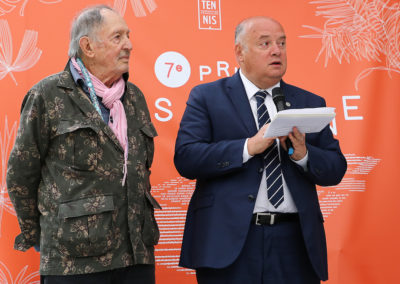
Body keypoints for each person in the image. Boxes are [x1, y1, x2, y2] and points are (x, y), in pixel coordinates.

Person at [174, 16, 347, 284]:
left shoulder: (308, 102)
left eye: (281, 43)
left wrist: (304, 156)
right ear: (239, 52)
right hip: (229, 243)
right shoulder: (207, 97)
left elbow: (336, 168)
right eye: (264, 43)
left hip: (295, 244)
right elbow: (186, 158)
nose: (276, 50)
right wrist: (247, 147)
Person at [6, 5, 160, 284]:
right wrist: (45, 236)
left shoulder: (135, 98)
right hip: (73, 262)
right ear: (87, 46)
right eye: (118, 37)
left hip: (136, 256)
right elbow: (20, 175)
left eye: (128, 36)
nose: (129, 45)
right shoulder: (48, 94)